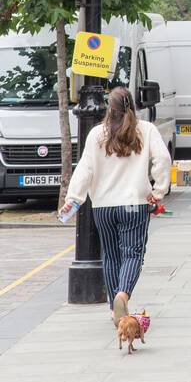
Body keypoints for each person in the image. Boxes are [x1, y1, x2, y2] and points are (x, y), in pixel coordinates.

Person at [59, 85, 171, 326]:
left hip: (103, 207)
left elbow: (85, 169)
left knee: (111, 256)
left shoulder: (97, 134)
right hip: (134, 205)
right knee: (133, 254)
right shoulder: (146, 130)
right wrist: (158, 190)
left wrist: (73, 199)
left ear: (110, 109)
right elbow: (162, 158)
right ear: (132, 105)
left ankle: (114, 308)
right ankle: (123, 294)